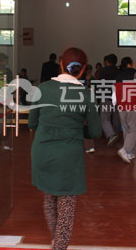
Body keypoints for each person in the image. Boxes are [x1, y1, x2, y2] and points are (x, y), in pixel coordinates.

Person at [29, 48, 102, 250]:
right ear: (84, 69)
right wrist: (77, 129)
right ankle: (59, 246)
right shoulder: (86, 94)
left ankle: (56, 241)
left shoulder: (42, 88)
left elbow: (32, 123)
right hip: (69, 155)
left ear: (61, 64)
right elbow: (96, 132)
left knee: (49, 197)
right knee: (66, 204)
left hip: (43, 151)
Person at [113, 56, 136, 163]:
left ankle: (130, 153)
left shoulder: (118, 75)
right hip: (133, 104)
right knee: (135, 128)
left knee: (126, 128)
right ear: (129, 64)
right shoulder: (134, 74)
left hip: (121, 105)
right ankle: (125, 150)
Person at [96, 54, 121, 145]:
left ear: (107, 61)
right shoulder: (119, 71)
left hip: (106, 96)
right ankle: (116, 135)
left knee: (104, 118)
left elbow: (99, 83)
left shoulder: (103, 70)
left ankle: (111, 135)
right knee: (116, 118)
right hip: (117, 97)